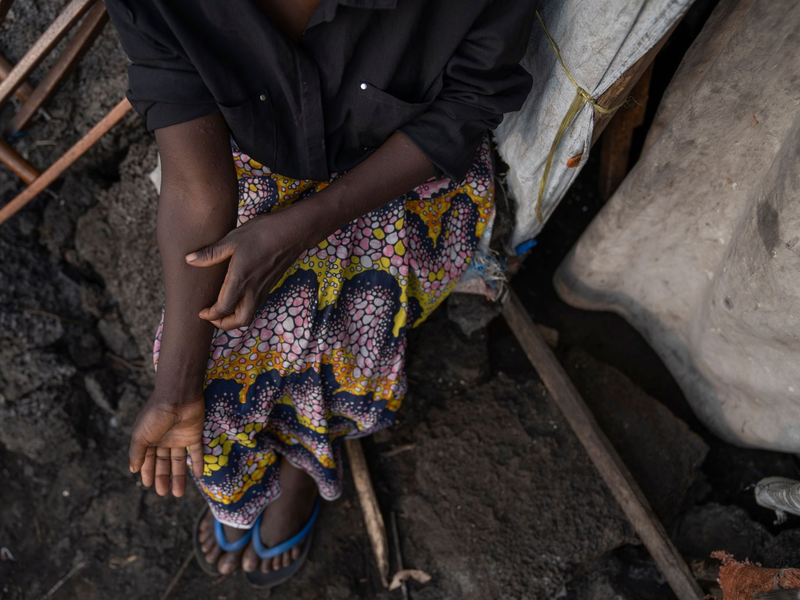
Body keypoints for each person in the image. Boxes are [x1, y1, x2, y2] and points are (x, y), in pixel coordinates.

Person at [105, 0, 534, 589]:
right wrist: (175, 388)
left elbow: (467, 106)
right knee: (209, 377)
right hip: (250, 164)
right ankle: (263, 462)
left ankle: (306, 460)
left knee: (352, 338)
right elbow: (197, 187)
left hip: (406, 177)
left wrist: (307, 225)